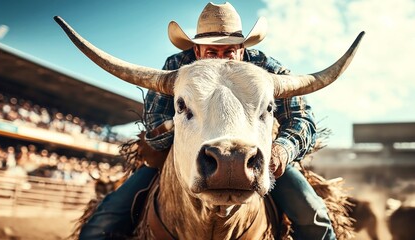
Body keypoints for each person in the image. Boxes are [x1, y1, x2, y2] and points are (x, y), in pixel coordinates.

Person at [79, 2, 336, 240]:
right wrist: (181, 130)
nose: (221, 57)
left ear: (242, 49)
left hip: (259, 155)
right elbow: (154, 118)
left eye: (230, 50)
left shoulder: (268, 69)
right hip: (181, 151)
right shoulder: (176, 66)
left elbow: (301, 120)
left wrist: (280, 151)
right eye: (212, 51)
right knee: (102, 224)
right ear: (197, 50)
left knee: (315, 219)